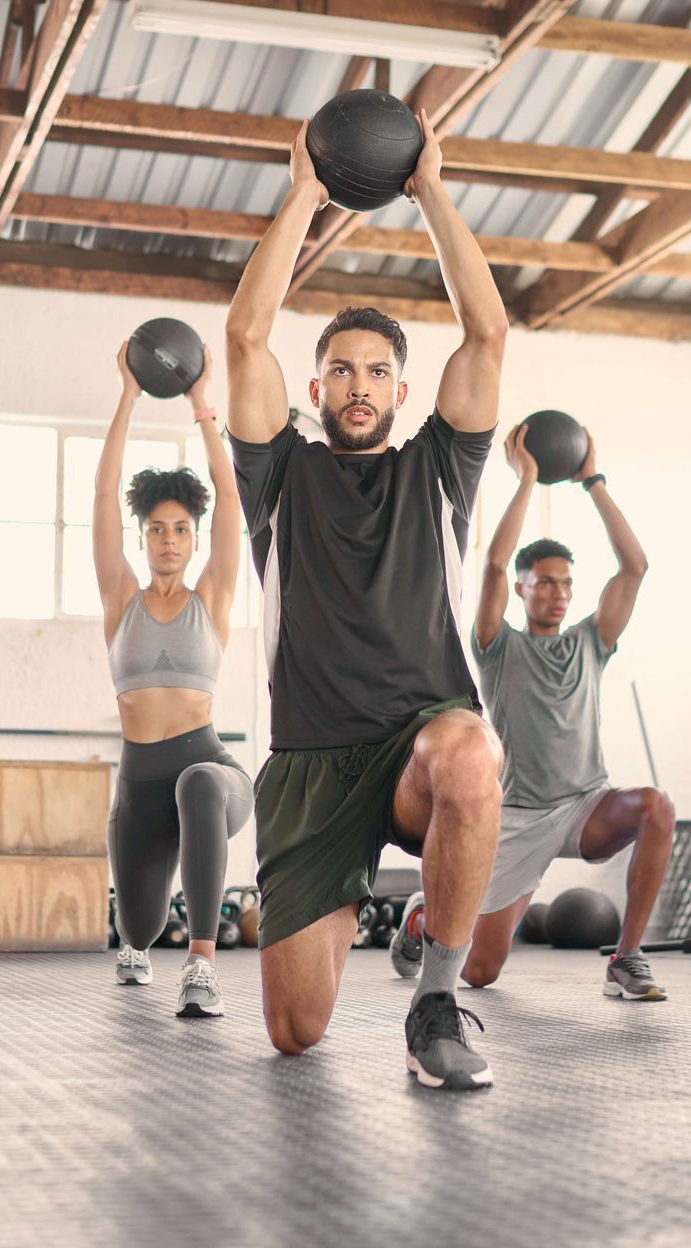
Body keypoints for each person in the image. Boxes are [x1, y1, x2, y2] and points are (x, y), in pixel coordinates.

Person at [224, 115, 508, 1091]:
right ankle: (350, 906)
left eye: (378, 370)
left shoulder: (440, 467)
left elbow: (487, 331)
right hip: (308, 764)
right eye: (341, 367)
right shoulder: (279, 472)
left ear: (400, 387)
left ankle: (436, 993)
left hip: (415, 744)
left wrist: (430, 191)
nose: (359, 383)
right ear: (316, 386)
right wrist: (305, 188)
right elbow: (244, 333)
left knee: (471, 749)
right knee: (295, 1033)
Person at [389, 424, 672, 998]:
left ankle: (628, 957)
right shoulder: (499, 647)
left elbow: (635, 567)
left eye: (566, 584)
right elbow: (492, 565)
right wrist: (527, 481)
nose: (558, 593)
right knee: (479, 974)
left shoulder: (591, 642)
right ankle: (423, 916)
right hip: (515, 817)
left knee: (657, 809)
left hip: (585, 803)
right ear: (522, 589)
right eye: (544, 583)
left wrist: (592, 481)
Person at [94, 343, 252, 1016]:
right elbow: (104, 494)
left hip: (208, 770)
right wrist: (128, 394)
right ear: (142, 537)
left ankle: (202, 967)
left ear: (193, 539)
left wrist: (201, 407)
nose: (167, 540)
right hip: (138, 784)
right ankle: (141, 943)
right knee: (137, 925)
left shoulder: (210, 598)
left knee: (198, 784)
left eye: (181, 530)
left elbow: (235, 508)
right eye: (156, 529)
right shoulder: (119, 602)